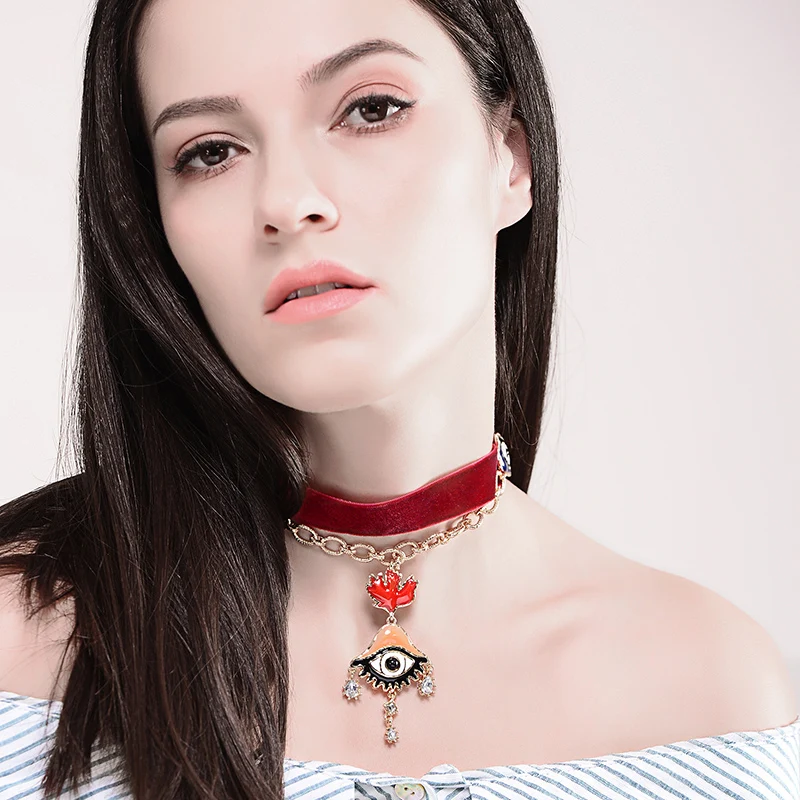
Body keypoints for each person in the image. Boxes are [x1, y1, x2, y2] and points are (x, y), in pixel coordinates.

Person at [1, 0, 798, 797]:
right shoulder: (23, 653)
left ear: (511, 159)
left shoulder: (708, 701)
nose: (287, 201)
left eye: (371, 109)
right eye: (210, 152)